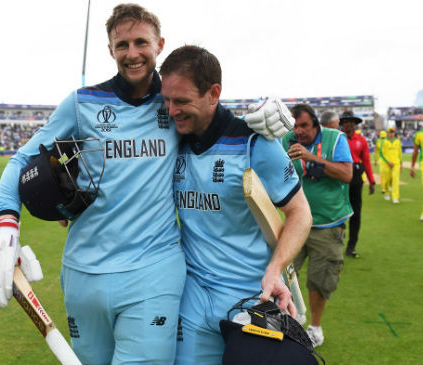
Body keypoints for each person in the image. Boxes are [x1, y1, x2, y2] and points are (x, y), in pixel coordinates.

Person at [0, 4, 286, 364]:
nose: (132, 54)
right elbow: (21, 161)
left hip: (154, 270)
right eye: (122, 45)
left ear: (159, 44)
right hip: (84, 272)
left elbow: (213, 117)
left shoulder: (173, 105)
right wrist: (7, 223)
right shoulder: (81, 103)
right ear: (110, 50)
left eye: (141, 42)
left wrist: (261, 118)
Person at [160, 45, 313, 365]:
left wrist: (275, 271)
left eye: (182, 100)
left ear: (213, 93)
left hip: (252, 301)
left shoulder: (254, 144)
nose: (172, 110)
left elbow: (300, 212)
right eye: (167, 100)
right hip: (193, 301)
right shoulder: (173, 140)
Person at [281, 103, 353, 347]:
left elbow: (346, 174)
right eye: (295, 126)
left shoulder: (335, 139)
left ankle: (315, 327)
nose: (298, 132)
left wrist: (312, 157)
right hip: (294, 223)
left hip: (328, 224)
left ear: (316, 124)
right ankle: (293, 317)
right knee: (284, 275)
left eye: (304, 126)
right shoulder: (285, 141)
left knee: (320, 280)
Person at [341, 111, 375, 258]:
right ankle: (336, 245)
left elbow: (366, 161)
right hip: (340, 178)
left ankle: (351, 247)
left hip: (356, 179)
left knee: (356, 214)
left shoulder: (361, 140)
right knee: (339, 213)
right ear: (342, 123)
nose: (349, 123)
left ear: (354, 123)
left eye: (351, 121)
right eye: (346, 121)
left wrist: (371, 181)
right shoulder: (337, 138)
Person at [379, 126, 402, 203]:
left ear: (394, 133)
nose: (391, 134)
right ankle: (386, 192)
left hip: (396, 163)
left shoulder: (397, 142)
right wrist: (387, 161)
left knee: (395, 180)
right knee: (386, 180)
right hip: (387, 164)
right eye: (389, 132)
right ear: (387, 133)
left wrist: (401, 163)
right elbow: (381, 153)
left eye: (392, 132)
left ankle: (395, 197)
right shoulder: (383, 142)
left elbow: (400, 153)